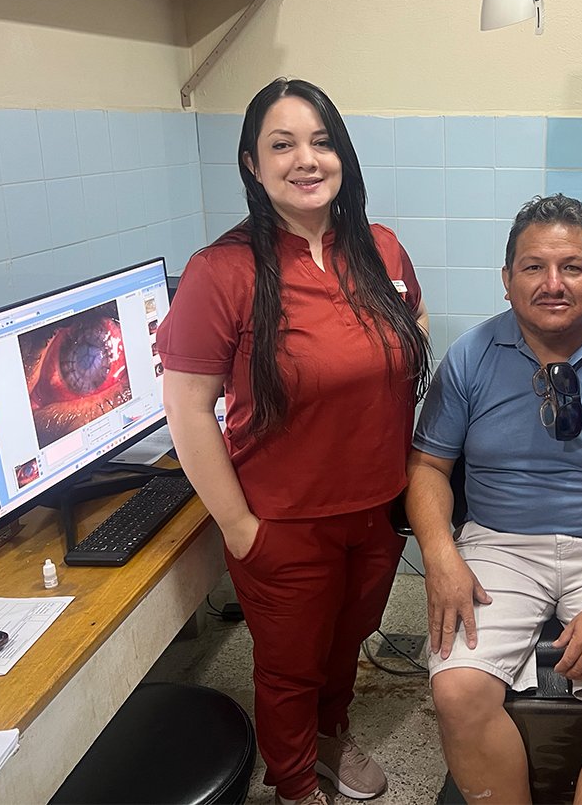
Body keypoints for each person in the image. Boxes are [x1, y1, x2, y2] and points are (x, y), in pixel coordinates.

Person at [157, 78, 430, 805]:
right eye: (283, 144)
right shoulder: (223, 272)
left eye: (321, 141)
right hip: (283, 523)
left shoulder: (380, 248)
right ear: (252, 163)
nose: (306, 159)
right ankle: (295, 786)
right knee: (288, 670)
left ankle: (331, 741)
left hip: (376, 512)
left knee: (347, 646)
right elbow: (187, 409)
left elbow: (415, 331)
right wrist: (241, 527)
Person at [407, 195, 582, 804]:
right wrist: (440, 555)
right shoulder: (471, 359)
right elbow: (428, 467)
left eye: (573, 267)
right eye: (534, 267)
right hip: (499, 543)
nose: (553, 284)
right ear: (507, 281)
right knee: (457, 691)